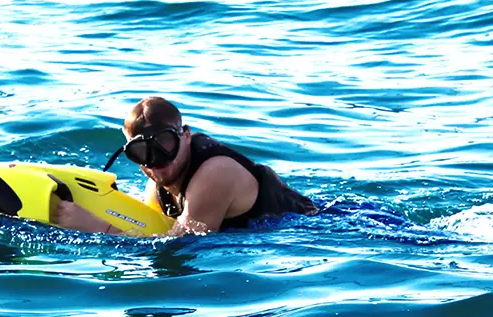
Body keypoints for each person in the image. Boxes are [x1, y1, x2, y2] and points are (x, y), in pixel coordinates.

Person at [52, 96, 319, 236]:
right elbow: (152, 228)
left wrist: (97, 228)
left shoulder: (215, 173)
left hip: (315, 228)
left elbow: (179, 245)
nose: (155, 164)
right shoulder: (157, 183)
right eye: (140, 152)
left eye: (165, 145)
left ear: (186, 136)